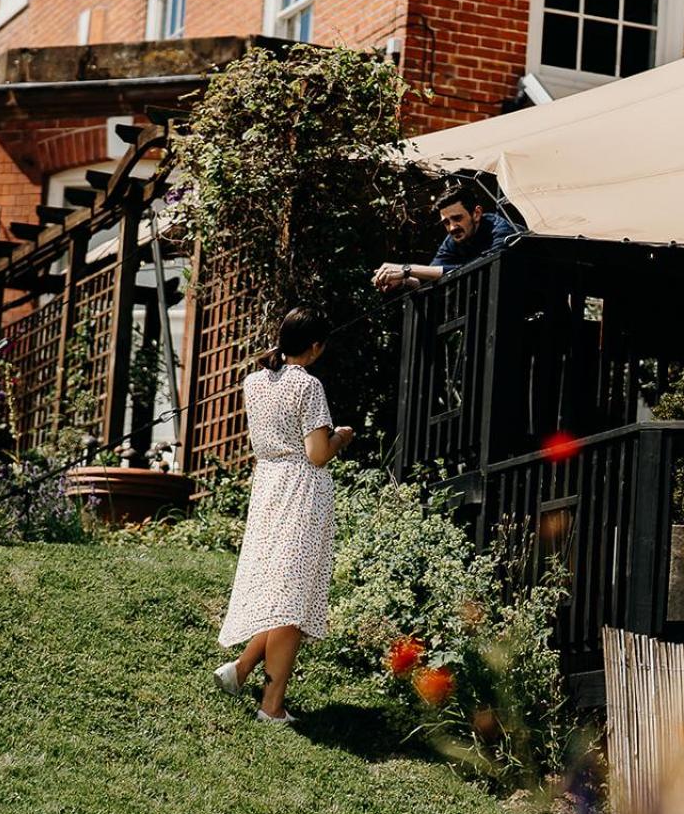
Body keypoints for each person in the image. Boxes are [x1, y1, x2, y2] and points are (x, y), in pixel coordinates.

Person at [213, 307, 352, 725]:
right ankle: (271, 707)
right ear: (316, 347)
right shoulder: (308, 386)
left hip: (268, 487)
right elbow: (318, 454)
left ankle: (239, 671)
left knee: (280, 591)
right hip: (301, 491)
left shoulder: (254, 382)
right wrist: (341, 437)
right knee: (291, 602)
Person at [371, 184, 518, 292]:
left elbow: (480, 269)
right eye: (446, 222)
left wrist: (407, 269)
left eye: (457, 218)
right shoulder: (454, 239)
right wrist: (402, 280)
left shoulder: (500, 231)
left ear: (476, 214)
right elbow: (431, 275)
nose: (452, 227)